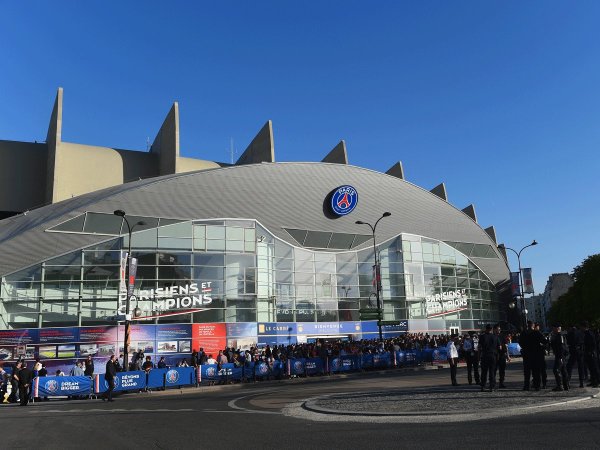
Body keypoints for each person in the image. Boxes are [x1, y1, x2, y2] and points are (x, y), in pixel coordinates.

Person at [479, 324, 501, 392]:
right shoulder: (495, 337)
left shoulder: (482, 337)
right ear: (491, 329)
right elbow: (499, 347)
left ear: (486, 329)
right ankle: (491, 386)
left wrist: (479, 356)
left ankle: (483, 386)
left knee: (484, 372)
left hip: (485, 355)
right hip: (493, 355)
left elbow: (479, 347)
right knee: (492, 371)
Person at [550, 323, 569, 391]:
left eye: (554, 328)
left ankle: (560, 385)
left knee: (556, 370)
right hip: (560, 355)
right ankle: (566, 385)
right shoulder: (558, 335)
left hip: (560, 355)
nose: (552, 329)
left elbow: (561, 347)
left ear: (557, 328)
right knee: (563, 370)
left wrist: (560, 357)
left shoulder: (559, 335)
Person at [582, 321, 600, 387]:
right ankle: (593, 381)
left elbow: (593, 344)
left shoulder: (589, 333)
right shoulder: (586, 333)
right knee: (591, 368)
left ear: (584, 327)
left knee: (594, 368)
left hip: (591, 354)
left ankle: (597, 382)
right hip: (588, 353)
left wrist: (591, 351)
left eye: (582, 327)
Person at [494, 324, 510, 389]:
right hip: (494, 355)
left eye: (500, 329)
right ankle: (493, 383)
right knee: (493, 370)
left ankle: (501, 383)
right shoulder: (492, 336)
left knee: (502, 370)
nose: (499, 331)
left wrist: (508, 356)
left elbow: (506, 346)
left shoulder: (502, 336)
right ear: (494, 329)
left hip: (502, 355)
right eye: (498, 329)